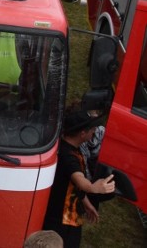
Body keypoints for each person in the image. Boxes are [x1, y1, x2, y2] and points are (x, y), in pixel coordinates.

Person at [42, 105, 116, 247]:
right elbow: (80, 181)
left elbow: (73, 185)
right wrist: (94, 187)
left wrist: (86, 204)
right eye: (92, 129)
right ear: (83, 133)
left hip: (69, 214)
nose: (95, 131)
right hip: (60, 220)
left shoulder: (70, 147)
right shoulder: (68, 157)